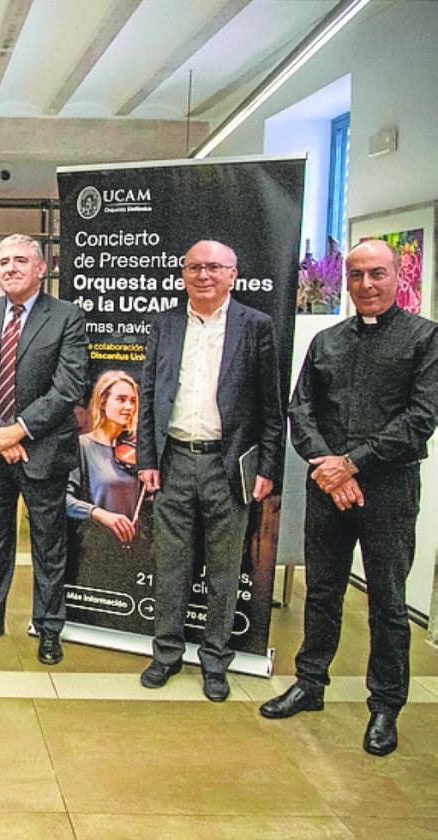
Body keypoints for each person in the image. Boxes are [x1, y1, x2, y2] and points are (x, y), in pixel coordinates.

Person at [261, 239, 438, 756]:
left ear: (398, 273)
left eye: (377, 273)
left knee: (386, 600)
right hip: (327, 486)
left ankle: (385, 706)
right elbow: (301, 412)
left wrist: (351, 464)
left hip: (388, 487)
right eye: (356, 274)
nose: (366, 284)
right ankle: (310, 681)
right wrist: (329, 467)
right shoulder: (328, 342)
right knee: (322, 589)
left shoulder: (425, 340)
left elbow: (420, 420)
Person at [136, 239, 283, 701]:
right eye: (195, 267)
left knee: (224, 571)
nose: (203, 275)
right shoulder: (165, 324)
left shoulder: (256, 326)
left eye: (214, 267)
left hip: (230, 464)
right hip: (175, 459)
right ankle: (166, 654)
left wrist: (267, 467)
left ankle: (215, 661)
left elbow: (271, 408)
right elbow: (149, 397)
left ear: (232, 274)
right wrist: (146, 459)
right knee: (171, 565)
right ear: (183, 273)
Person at [0, 233, 88, 664]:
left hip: (43, 453)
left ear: (41, 268)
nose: (9, 268)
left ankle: (48, 628)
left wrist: (19, 431)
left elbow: (69, 387)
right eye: (4, 261)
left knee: (49, 544)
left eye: (20, 261)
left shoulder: (67, 317)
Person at [66, 369, 143, 544]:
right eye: (121, 400)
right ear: (102, 402)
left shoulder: (139, 449)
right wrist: (99, 514)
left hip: (136, 546)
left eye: (133, 401)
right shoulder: (82, 446)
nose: (128, 407)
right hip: (94, 544)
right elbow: (63, 500)